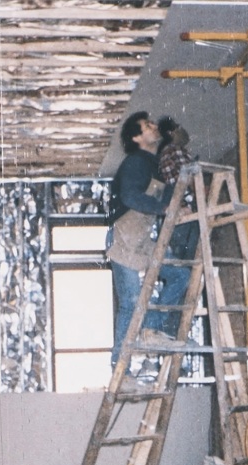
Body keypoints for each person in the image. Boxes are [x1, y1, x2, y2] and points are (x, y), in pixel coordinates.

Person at [107, 111, 190, 372]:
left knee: (180, 275)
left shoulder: (154, 165)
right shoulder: (135, 162)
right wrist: (164, 209)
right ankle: (120, 369)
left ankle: (151, 328)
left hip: (142, 239)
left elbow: (160, 204)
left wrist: (177, 208)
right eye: (148, 125)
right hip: (124, 237)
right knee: (130, 304)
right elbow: (131, 196)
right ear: (136, 137)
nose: (154, 127)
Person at [157, 116, 200, 261]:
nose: (182, 130)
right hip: (184, 207)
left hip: (176, 207)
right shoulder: (175, 150)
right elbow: (189, 179)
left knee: (180, 257)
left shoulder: (165, 152)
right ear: (171, 133)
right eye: (178, 127)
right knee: (189, 257)